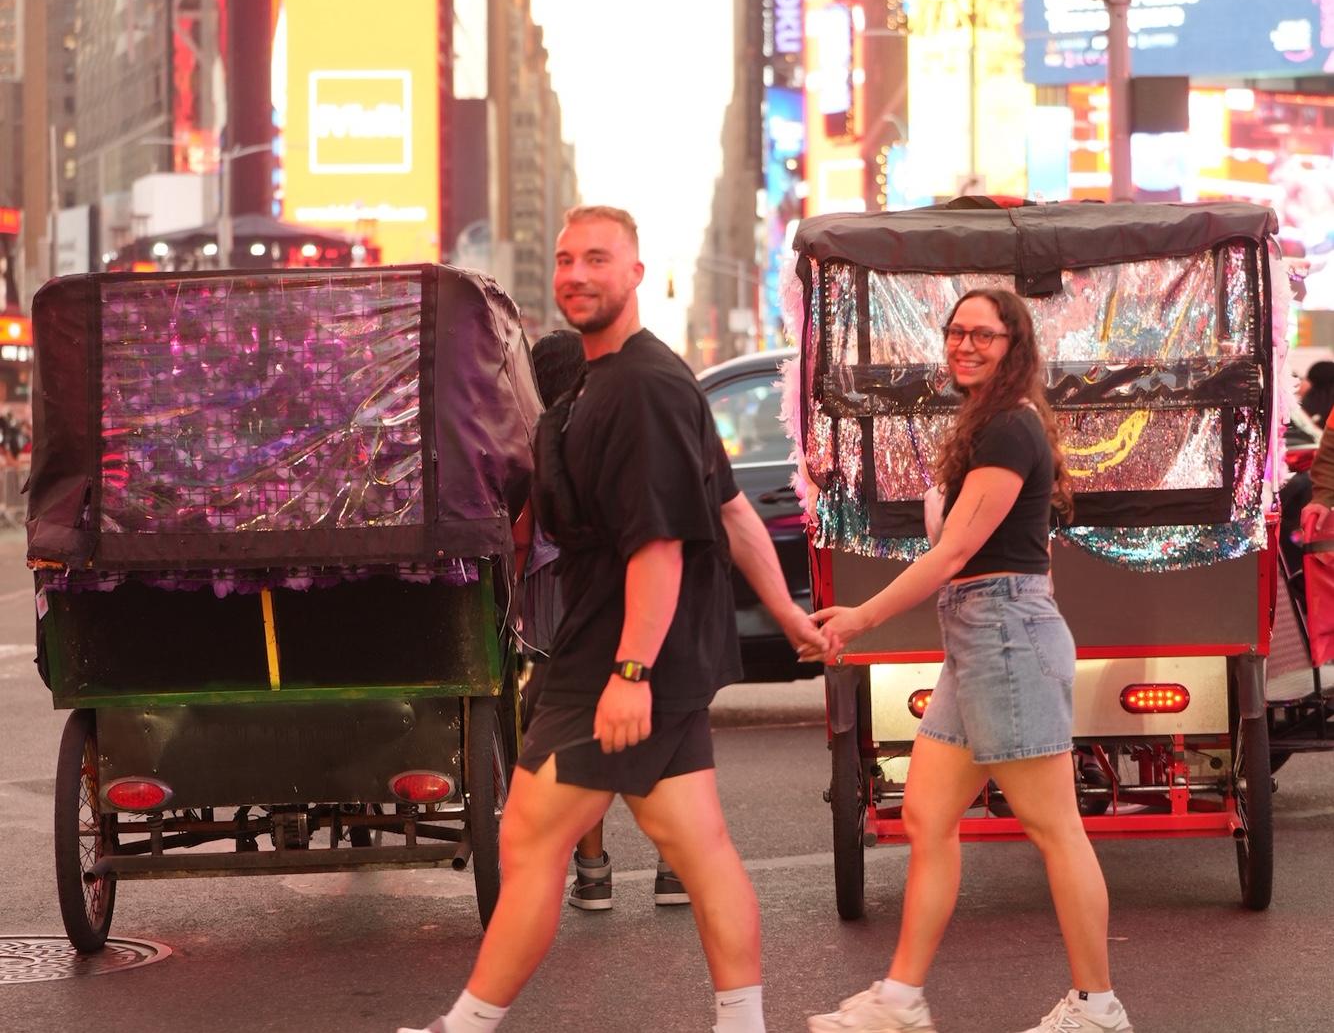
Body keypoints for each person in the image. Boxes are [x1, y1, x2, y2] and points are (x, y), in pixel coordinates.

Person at [397, 205, 824, 1033]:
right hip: (615, 644)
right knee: (692, 846)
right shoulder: (602, 381)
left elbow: (660, 545)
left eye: (597, 258)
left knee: (531, 839)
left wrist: (630, 673)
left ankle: (466, 1028)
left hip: (624, 655)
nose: (577, 274)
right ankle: (743, 1024)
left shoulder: (643, 387)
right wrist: (789, 614)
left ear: (635, 273)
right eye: (564, 260)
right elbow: (733, 509)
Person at [802, 289, 1133, 1033]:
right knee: (926, 814)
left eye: (982, 334)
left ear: (1014, 345)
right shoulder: (992, 424)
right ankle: (900, 1000)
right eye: (956, 332)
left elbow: (955, 553)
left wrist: (861, 616)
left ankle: (1098, 1006)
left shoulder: (1010, 428)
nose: (964, 344)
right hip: (983, 634)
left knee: (1054, 828)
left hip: (1005, 633)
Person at [515, 327, 683, 911]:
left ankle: (591, 873)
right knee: (648, 722)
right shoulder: (612, 428)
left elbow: (520, 529)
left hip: (550, 603)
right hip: (616, 596)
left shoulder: (534, 436)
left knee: (576, 734)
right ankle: (673, 869)